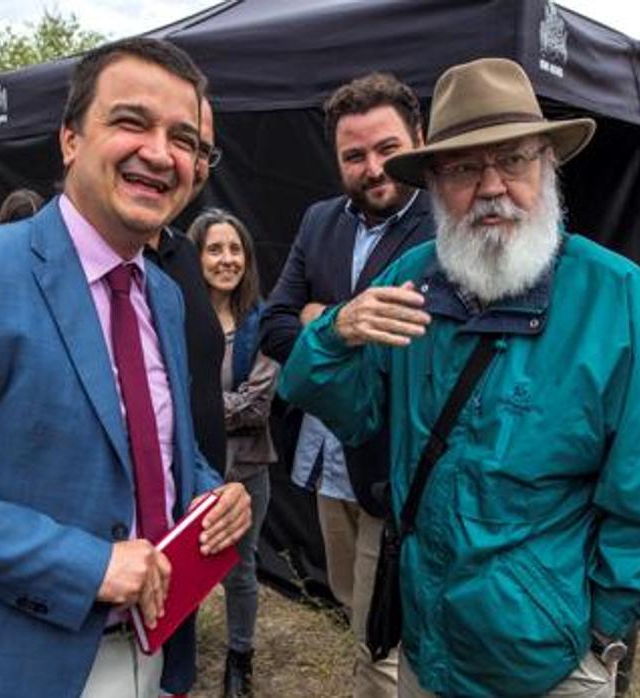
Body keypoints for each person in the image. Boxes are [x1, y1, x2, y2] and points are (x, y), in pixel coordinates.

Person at [277, 58, 640, 698]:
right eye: (461, 169)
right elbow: (343, 407)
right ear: (433, 183)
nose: (491, 187)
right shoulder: (410, 282)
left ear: (547, 166)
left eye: (513, 160)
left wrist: (592, 631)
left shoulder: (616, 298)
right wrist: (333, 333)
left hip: (552, 668)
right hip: (427, 651)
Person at [0, 37, 251, 698]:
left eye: (184, 138)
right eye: (131, 122)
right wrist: (87, 564)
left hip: (148, 653)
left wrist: (208, 494)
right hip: (3, 666)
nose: (159, 152)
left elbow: (149, 450)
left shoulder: (167, 296)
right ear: (70, 139)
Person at [259, 71, 433, 697]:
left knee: (384, 637)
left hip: (397, 462)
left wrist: (321, 315)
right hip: (327, 460)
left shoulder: (446, 227)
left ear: (420, 138)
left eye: (388, 148)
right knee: (352, 604)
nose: (373, 167)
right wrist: (345, 320)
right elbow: (273, 324)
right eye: (354, 155)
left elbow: (428, 349)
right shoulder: (320, 221)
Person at [189, 210, 278, 698]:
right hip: (188, 468)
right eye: (215, 249)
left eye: (235, 249)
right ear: (197, 256)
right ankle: (172, 651)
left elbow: (257, 407)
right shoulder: (176, 318)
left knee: (240, 569)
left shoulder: (261, 324)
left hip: (245, 471)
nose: (227, 259)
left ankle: (240, 658)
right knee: (179, 564)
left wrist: (193, 403)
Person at [145, 94, 227, 478]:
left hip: (203, 491)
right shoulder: (105, 266)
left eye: (200, 148)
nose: (184, 161)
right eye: (182, 141)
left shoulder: (183, 252)